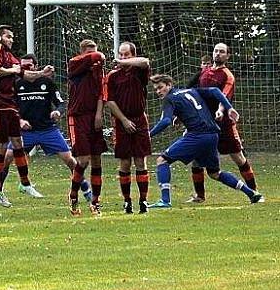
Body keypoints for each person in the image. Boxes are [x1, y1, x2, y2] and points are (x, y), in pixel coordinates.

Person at [148, 74, 264, 208]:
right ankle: (252, 194)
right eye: (156, 89)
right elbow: (215, 91)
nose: (158, 91)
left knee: (162, 160)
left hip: (198, 135)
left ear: (169, 85)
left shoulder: (170, 98)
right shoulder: (191, 91)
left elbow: (166, 121)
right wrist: (229, 107)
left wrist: (149, 134)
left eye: (160, 87)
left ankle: (165, 201)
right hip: (213, 135)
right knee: (214, 173)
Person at [2, 53, 93, 203]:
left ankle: (86, 189)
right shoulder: (16, 84)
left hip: (47, 130)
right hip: (26, 132)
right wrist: (19, 121)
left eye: (28, 66)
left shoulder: (47, 82)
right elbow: (10, 108)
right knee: (6, 158)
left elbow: (61, 103)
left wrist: (58, 111)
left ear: (35, 67)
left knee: (70, 160)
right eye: (23, 66)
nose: (25, 68)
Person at [0, 25, 52, 208]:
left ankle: (26, 184)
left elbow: (25, 74)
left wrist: (42, 73)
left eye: (12, 37)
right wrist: (13, 70)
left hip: (10, 105)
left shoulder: (11, 57)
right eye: (8, 36)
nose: (11, 40)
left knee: (18, 143)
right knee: (1, 148)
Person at [187, 43, 260, 203]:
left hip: (224, 124)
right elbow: (196, 95)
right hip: (205, 123)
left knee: (239, 158)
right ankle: (200, 196)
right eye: (216, 51)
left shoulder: (228, 76)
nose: (218, 54)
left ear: (227, 56)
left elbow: (224, 96)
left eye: (222, 52)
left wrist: (220, 110)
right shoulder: (204, 73)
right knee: (196, 158)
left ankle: (254, 192)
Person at [104, 42, 151, 214]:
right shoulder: (112, 76)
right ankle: (127, 201)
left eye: (126, 55)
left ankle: (143, 201)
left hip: (139, 119)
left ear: (133, 55)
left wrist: (124, 63)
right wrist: (123, 120)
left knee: (140, 160)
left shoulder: (139, 70)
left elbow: (145, 62)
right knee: (124, 162)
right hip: (121, 122)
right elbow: (110, 101)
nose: (122, 58)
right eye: (120, 54)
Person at [66, 39, 107, 215]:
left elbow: (101, 94)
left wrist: (99, 115)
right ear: (82, 52)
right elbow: (100, 56)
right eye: (90, 52)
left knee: (97, 160)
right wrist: (96, 54)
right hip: (78, 117)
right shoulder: (74, 63)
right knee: (83, 160)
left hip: (93, 116)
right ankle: (74, 195)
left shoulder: (98, 70)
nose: (94, 56)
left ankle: (95, 201)